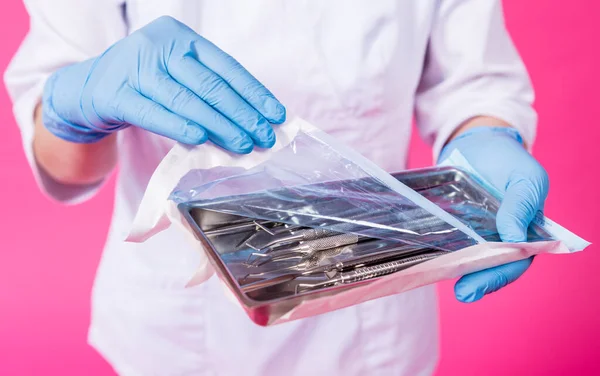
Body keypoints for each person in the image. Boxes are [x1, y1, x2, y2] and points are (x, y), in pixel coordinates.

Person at [4, 1, 549, 375]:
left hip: (375, 311)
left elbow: (472, 83)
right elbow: (69, 164)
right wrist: (76, 111)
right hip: (182, 327)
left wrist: (488, 140)